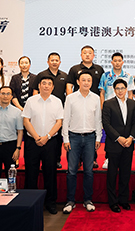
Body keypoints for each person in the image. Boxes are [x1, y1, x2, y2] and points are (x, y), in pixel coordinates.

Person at [22, 76, 63, 215]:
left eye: (49, 84)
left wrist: (47, 137)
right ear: (39, 86)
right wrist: (36, 137)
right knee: (31, 173)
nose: (46, 86)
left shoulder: (57, 101)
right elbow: (26, 121)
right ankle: (30, 202)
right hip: (32, 141)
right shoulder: (31, 101)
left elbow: (59, 122)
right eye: (43, 83)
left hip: (50, 142)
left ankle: (50, 203)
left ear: (53, 87)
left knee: (50, 172)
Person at [62, 72, 102, 214]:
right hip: (74, 137)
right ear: (78, 82)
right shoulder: (71, 98)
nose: (86, 82)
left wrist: (98, 137)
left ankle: (88, 200)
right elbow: (66, 119)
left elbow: (98, 119)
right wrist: (66, 139)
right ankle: (70, 201)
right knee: (71, 171)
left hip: (90, 137)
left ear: (92, 82)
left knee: (88, 171)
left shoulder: (96, 98)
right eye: (83, 80)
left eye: (88, 80)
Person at [102, 79, 135, 213]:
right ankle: (113, 202)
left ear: (126, 89)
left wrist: (131, 137)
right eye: (118, 88)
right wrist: (118, 138)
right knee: (112, 175)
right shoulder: (108, 104)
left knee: (125, 174)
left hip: (128, 144)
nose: (120, 91)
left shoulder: (132, 104)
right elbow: (106, 124)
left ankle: (123, 200)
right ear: (114, 90)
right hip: (114, 144)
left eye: (123, 88)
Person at [66, 46, 104, 168]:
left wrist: (101, 105)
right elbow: (69, 86)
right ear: (81, 55)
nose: (87, 55)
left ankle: (92, 159)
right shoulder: (74, 69)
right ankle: (76, 160)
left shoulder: (99, 69)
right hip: (78, 103)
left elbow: (102, 89)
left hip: (93, 103)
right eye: (85, 53)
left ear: (93, 55)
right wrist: (71, 101)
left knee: (91, 132)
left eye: (90, 53)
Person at [99, 52, 135, 170]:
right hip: (110, 110)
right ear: (112, 62)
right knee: (110, 133)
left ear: (122, 62)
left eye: (119, 60)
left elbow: (130, 94)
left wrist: (130, 108)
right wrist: (102, 108)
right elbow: (102, 93)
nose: (117, 63)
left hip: (124, 109)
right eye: (115, 60)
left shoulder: (128, 76)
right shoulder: (105, 76)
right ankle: (108, 157)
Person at [34, 52, 69, 169]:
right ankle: (39, 159)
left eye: (56, 60)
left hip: (58, 110)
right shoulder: (41, 75)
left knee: (57, 136)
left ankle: (56, 159)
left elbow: (67, 93)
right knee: (41, 132)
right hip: (42, 108)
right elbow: (35, 92)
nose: (54, 62)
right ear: (48, 62)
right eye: (52, 60)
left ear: (60, 62)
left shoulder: (64, 75)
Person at [0, 86, 24, 179]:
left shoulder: (17, 112)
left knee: (10, 176)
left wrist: (18, 149)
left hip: (10, 147)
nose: (5, 96)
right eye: (3, 94)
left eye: (8, 94)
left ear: (11, 96)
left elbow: (20, 131)